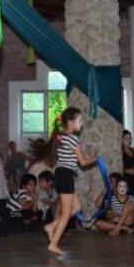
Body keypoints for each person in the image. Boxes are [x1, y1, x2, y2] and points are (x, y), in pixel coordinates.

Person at [43, 107, 98, 255]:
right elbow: (83, 162)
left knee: (76, 208)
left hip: (63, 175)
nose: (82, 124)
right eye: (80, 121)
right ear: (71, 122)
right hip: (65, 176)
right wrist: (96, 158)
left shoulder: (62, 137)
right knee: (67, 213)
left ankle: (52, 226)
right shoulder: (73, 139)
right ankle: (54, 243)